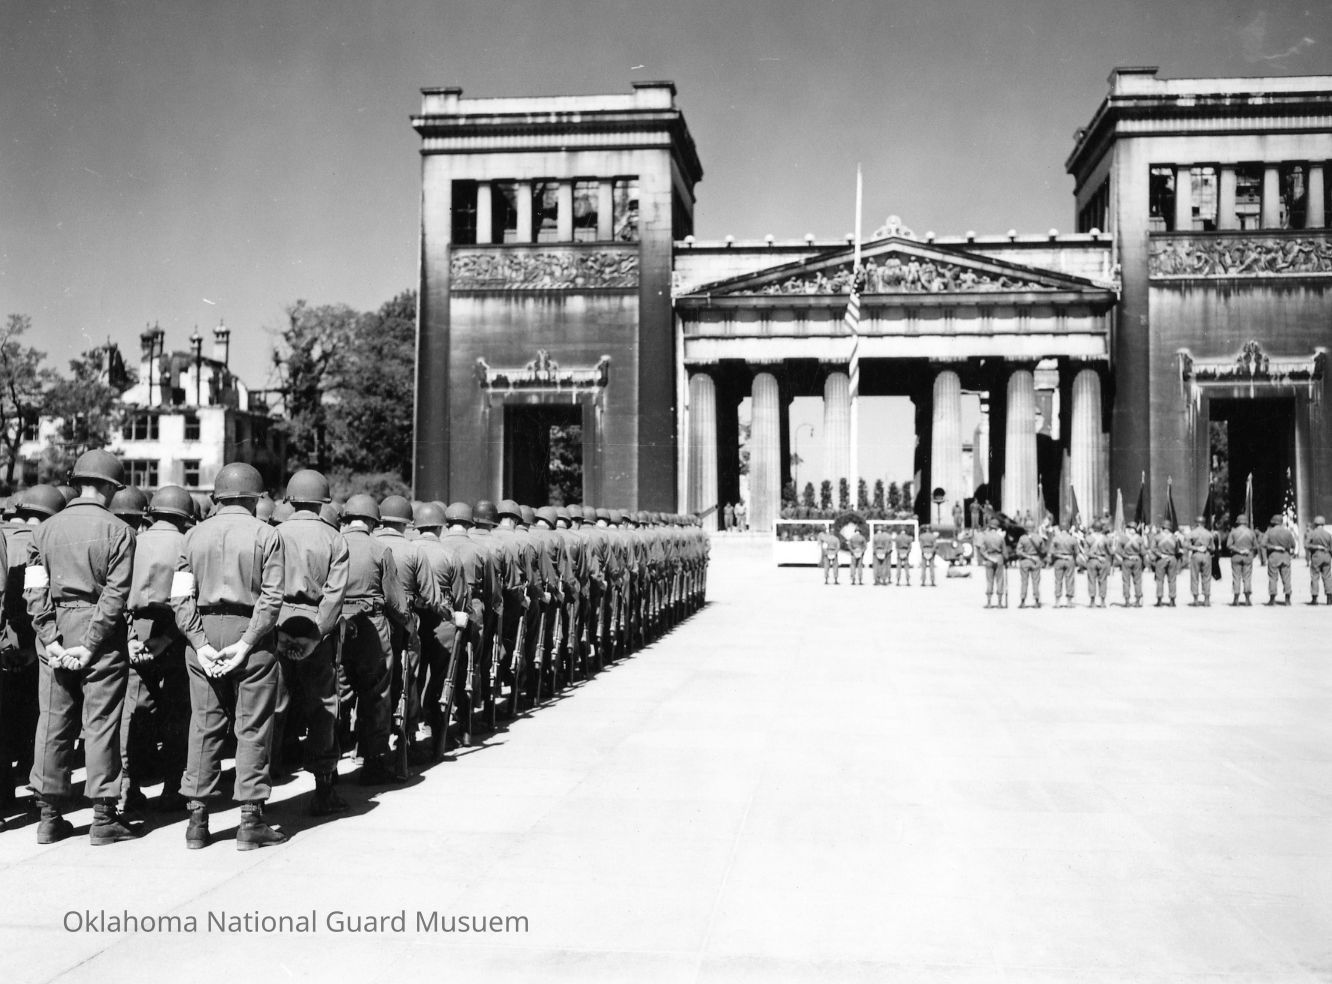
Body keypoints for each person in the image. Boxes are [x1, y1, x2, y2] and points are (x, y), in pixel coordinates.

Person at [171, 462, 286, 850]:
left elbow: (179, 596)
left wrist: (200, 642)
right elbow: (272, 597)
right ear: (255, 498)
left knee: (204, 724)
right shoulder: (267, 535)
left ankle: (197, 822)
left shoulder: (191, 536)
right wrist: (248, 641)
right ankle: (250, 821)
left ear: (216, 498)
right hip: (250, 633)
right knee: (252, 726)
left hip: (202, 630)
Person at [25, 449, 138, 845]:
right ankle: (103, 818)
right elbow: (115, 596)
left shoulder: (44, 531)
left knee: (53, 722)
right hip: (100, 634)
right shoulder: (120, 531)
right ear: (110, 486)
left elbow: (34, 591)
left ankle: (48, 817)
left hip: (55, 628)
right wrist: (90, 644)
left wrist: (49, 638)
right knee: (101, 723)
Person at [274, 469, 349, 815]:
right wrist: (316, 635)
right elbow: (334, 595)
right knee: (322, 708)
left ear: (290, 499)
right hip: (316, 628)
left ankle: (259, 791)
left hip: (275, 626)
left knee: (271, 706)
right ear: (323, 501)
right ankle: (323, 789)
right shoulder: (334, 539)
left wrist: (277, 631)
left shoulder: (273, 534)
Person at [122, 485, 194, 814]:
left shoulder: (132, 540)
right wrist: (167, 638)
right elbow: (190, 600)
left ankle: (129, 787)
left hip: (135, 630)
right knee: (177, 714)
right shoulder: (187, 544)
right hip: (175, 633)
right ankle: (171, 789)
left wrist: (129, 637)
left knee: (136, 713)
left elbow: (115, 592)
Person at [337, 496, 411, 783]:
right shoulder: (380, 549)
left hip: (336, 624)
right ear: (372, 520)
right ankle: (372, 762)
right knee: (376, 694)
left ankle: (328, 766)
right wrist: (408, 624)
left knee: (337, 694)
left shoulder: (333, 543)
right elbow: (395, 601)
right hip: (372, 627)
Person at [1261, 514, 1296, 606]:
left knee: (1273, 578)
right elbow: (1293, 545)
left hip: (1274, 557)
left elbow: (1263, 544)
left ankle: (1272, 599)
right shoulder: (1287, 532)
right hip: (1285, 556)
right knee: (1286, 578)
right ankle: (1287, 599)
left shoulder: (1269, 532)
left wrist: (1273, 547)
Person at [1225, 514, 1257, 606]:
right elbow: (1255, 546)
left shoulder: (1233, 532)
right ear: (1246, 522)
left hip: (1236, 556)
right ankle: (1247, 599)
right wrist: (1249, 551)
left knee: (1236, 577)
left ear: (1237, 522)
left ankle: (1236, 599)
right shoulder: (1251, 533)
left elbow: (1228, 545)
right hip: (1247, 556)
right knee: (1247, 577)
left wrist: (1239, 550)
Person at [1150, 519, 1182, 607]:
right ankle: (1172, 600)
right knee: (1172, 580)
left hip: (1161, 559)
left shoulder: (1157, 537)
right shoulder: (1175, 538)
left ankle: (1159, 600)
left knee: (1159, 580)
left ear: (1162, 527)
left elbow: (1152, 548)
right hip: (1172, 559)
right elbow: (1177, 550)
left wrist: (1160, 554)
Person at [1185, 516, 1216, 606]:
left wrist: (1196, 548)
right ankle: (1206, 599)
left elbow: (1186, 545)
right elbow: (1213, 548)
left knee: (1194, 577)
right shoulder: (1209, 534)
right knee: (1207, 577)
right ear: (1204, 523)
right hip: (1206, 556)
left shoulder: (1192, 533)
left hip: (1196, 555)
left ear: (1196, 523)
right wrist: (1206, 547)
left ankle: (1195, 599)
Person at [1048, 521, 1080, 608]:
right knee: (1070, 580)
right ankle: (1069, 601)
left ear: (1060, 528)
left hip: (1058, 561)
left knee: (1058, 580)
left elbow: (1051, 552)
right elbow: (1077, 552)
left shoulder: (1055, 538)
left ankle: (1057, 601)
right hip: (1069, 560)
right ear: (1069, 529)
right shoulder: (1073, 539)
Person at [1114, 522, 1147, 607]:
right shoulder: (1140, 539)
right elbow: (1143, 552)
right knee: (1138, 581)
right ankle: (1138, 600)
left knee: (1126, 581)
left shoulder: (1123, 538)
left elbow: (1118, 551)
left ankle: (1127, 601)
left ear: (1128, 529)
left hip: (1127, 561)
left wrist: (1126, 556)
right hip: (1137, 560)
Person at [977, 517, 1008, 608]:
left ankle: (989, 602)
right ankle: (999, 603)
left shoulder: (985, 537)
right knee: (1000, 580)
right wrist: (1006, 560)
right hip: (999, 558)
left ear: (990, 527)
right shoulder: (1000, 537)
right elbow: (1005, 552)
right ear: (997, 528)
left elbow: (981, 550)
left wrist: (986, 557)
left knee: (989, 580)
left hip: (989, 558)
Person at [1014, 520, 1044, 608]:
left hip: (1025, 561)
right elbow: (1043, 550)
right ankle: (1036, 601)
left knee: (1024, 581)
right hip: (1036, 560)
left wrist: (1028, 556)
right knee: (1036, 581)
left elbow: (1018, 551)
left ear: (1026, 528)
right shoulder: (1039, 537)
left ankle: (1023, 601)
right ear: (1034, 527)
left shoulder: (1022, 538)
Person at [1084, 520, 1112, 608]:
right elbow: (1110, 552)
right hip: (1103, 560)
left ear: (1093, 528)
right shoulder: (1106, 539)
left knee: (1091, 580)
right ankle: (1103, 601)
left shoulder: (1088, 538)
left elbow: (1086, 552)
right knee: (1103, 580)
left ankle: (1092, 601)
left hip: (1092, 561)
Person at [1306, 515, 1332, 605]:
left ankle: (1314, 599)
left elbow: (1306, 545)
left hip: (1316, 556)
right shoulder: (1328, 534)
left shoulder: (1312, 534)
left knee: (1315, 577)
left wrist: (1316, 547)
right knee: (1327, 577)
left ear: (1315, 524)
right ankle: (1329, 599)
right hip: (1327, 556)